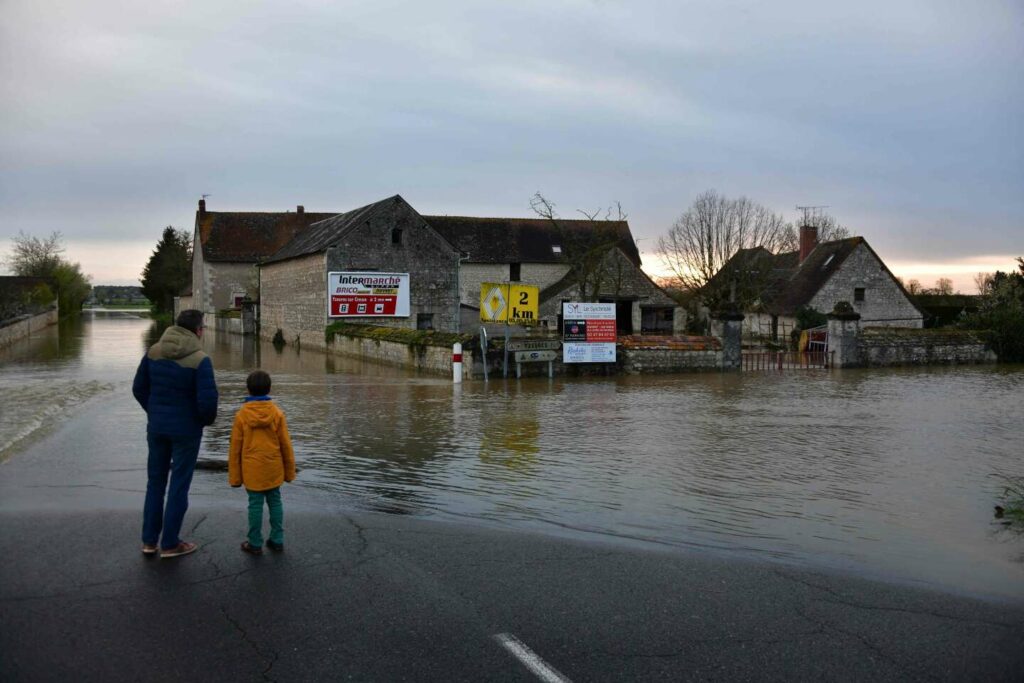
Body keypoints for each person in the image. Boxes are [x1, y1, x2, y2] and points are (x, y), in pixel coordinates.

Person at [132, 309, 218, 559]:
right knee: (179, 485)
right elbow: (208, 402)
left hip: (157, 428)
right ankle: (170, 543)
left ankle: (149, 542)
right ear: (198, 331)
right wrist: (201, 422)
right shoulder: (201, 359)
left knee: (155, 483)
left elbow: (138, 388)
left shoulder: (153, 352)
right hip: (186, 431)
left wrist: (155, 412)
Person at [228, 369, 296, 555]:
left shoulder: (241, 415)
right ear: (269, 389)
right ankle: (277, 539)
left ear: (248, 390)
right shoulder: (277, 413)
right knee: (275, 502)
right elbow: (286, 445)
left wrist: (235, 477)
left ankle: (255, 542)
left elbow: (235, 449)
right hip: (273, 466)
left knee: (255, 505)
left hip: (252, 468)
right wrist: (290, 472)